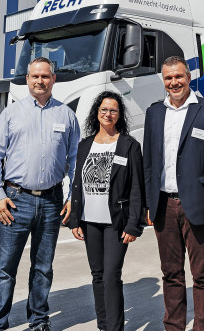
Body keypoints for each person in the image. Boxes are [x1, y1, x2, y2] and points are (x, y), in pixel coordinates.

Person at [0, 57, 80, 331]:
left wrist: (73, 197)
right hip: (15, 201)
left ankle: (38, 320)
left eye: (45, 76)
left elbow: (75, 161)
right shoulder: (11, 114)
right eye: (35, 76)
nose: (40, 81)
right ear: (27, 79)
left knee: (43, 267)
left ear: (54, 80)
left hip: (51, 202)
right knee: (5, 269)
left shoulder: (66, 115)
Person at [143, 56, 204, 331]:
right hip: (164, 205)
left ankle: (202, 328)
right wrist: (149, 203)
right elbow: (149, 161)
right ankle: (174, 326)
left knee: (202, 274)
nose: (174, 82)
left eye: (178, 77)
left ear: (188, 77)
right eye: (168, 78)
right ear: (163, 80)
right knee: (170, 273)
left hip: (199, 206)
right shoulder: (155, 112)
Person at [69, 91, 145, 331]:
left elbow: (136, 188)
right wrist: (74, 220)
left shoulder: (128, 145)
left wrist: (134, 224)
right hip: (89, 221)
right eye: (104, 110)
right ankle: (103, 325)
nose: (108, 114)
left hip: (116, 222)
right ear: (96, 113)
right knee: (98, 275)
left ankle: (114, 328)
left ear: (119, 115)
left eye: (113, 110)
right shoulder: (84, 145)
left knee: (112, 275)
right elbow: (77, 183)